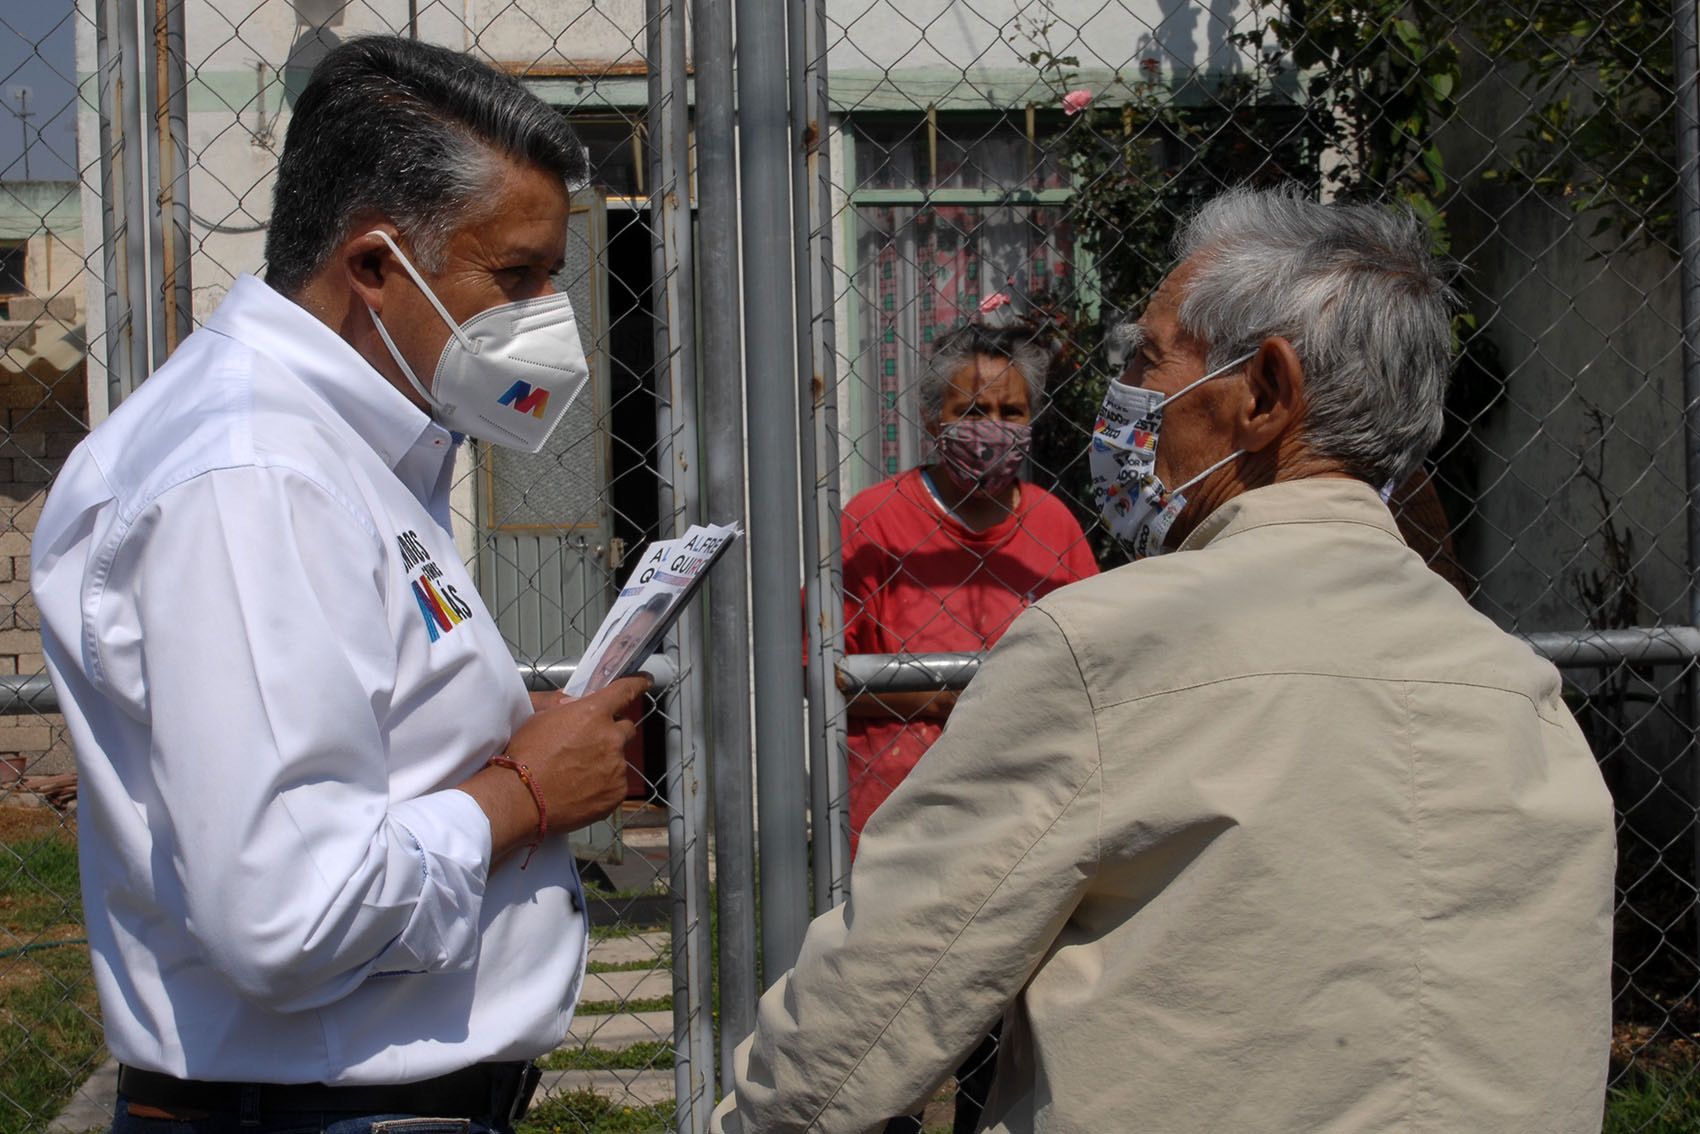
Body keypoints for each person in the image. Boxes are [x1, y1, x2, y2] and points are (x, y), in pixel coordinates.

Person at [711, 187, 1616, 1133]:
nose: (1122, 399)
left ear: (1263, 393)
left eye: (1146, 358)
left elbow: (867, 1018)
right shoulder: (1521, 692)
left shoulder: (1105, 650)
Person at [32, 36, 647, 1132]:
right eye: (515, 276)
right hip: (310, 1111)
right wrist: (524, 794)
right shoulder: (256, 481)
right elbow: (286, 914)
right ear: (372, 265)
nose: (550, 310)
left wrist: (500, 743)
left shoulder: (335, 451)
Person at [839, 321, 1096, 1133]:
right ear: (932, 419)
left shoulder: (1053, 528)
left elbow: (1089, 671)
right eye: (972, 410)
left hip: (1022, 824)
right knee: (889, 1036)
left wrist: (946, 690)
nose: (992, 429)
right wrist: (959, 700)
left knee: (999, 1042)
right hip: (898, 823)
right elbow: (833, 675)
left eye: (1012, 412)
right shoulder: (874, 523)